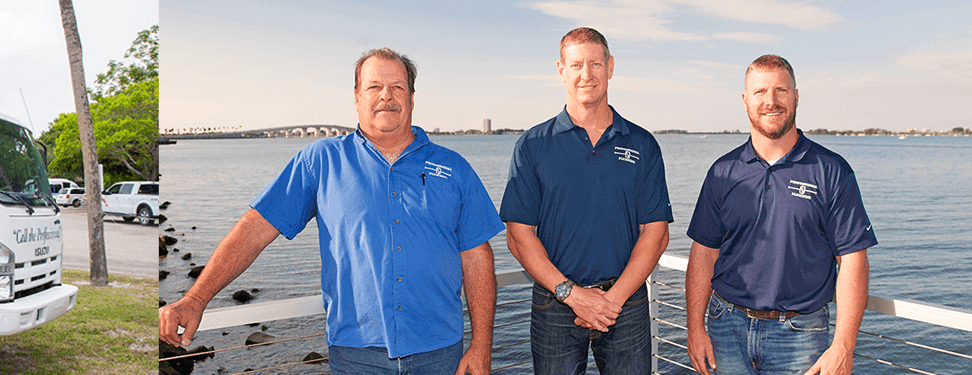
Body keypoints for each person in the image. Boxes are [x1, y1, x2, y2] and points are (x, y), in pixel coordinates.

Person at [157, 48, 505, 374]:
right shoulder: (319, 162)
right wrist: (196, 298)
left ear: (412, 99)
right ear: (356, 97)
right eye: (374, 86)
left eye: (398, 86)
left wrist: (482, 345)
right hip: (356, 356)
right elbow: (254, 230)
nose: (387, 95)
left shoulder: (454, 168)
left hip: (441, 353)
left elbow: (477, 258)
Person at [685, 54, 876, 375]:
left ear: (796, 96)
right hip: (726, 328)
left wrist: (844, 345)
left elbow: (854, 261)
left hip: (800, 335)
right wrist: (694, 329)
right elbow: (704, 253)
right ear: (745, 101)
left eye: (781, 91)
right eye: (760, 92)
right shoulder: (722, 172)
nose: (770, 101)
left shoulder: (832, 171)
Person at [500, 27, 671, 374]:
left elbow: (656, 232)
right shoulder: (533, 146)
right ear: (561, 70)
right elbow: (519, 235)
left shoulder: (642, 144)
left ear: (610, 67)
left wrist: (613, 300)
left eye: (595, 64)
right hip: (555, 303)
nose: (586, 74)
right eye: (576, 65)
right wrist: (572, 295)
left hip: (626, 304)